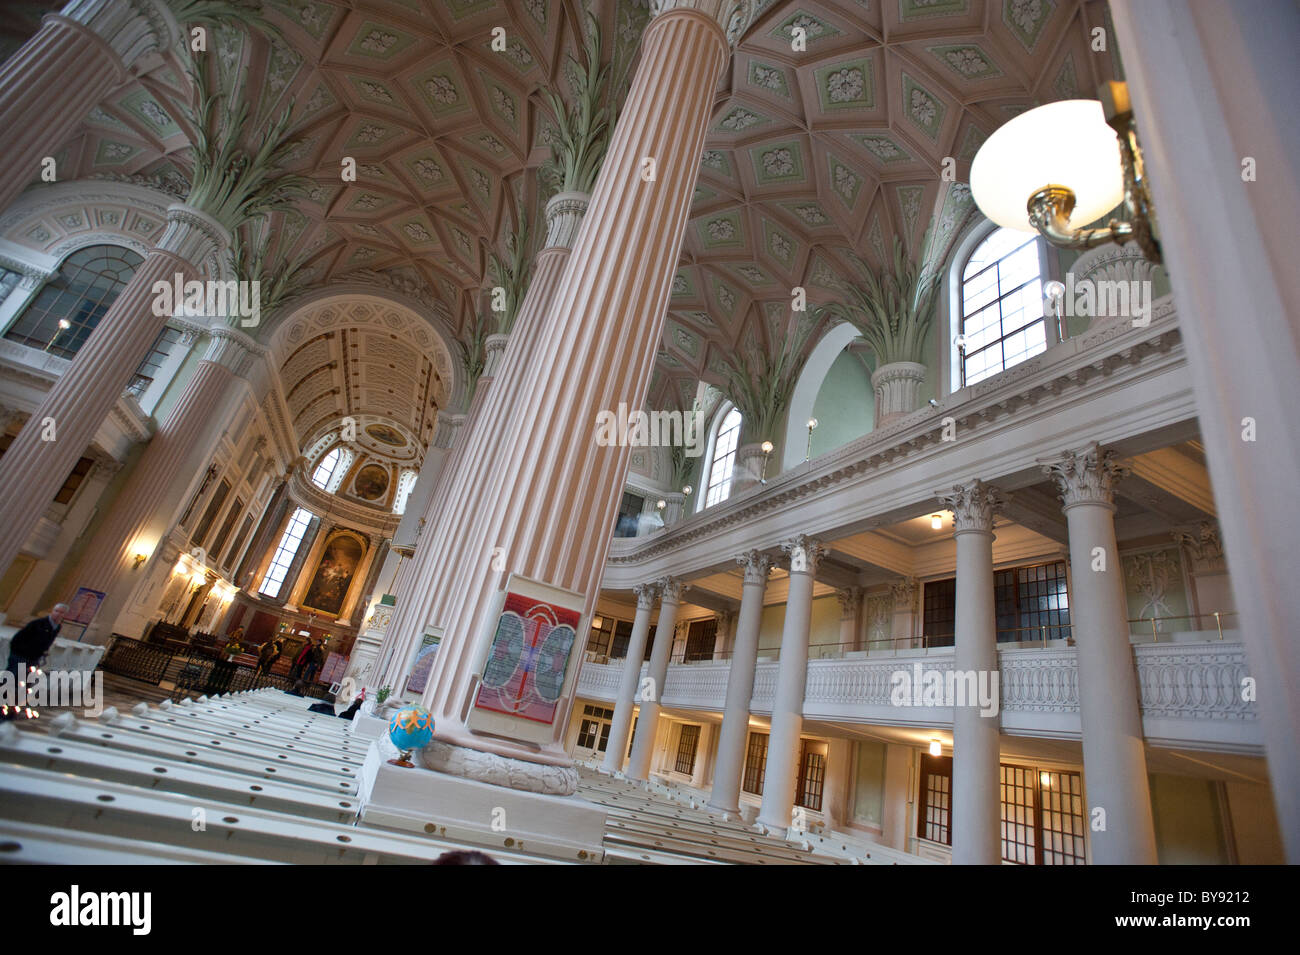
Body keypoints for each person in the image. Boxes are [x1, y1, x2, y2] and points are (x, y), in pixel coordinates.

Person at [3, 604, 67, 721]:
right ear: (53, 611)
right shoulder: (38, 623)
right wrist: (20, 652)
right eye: (56, 611)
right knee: (10, 679)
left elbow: (48, 641)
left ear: (64, 615)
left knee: (24, 684)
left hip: (33, 658)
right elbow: (19, 638)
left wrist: (43, 651)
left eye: (61, 612)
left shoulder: (57, 627)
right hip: (21, 655)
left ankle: (10, 709)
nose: (58, 614)